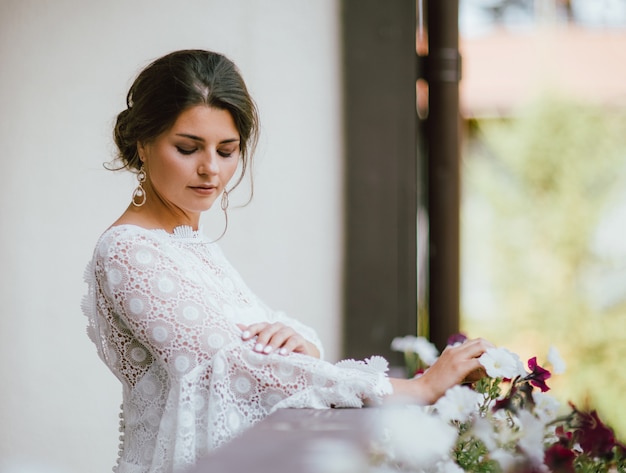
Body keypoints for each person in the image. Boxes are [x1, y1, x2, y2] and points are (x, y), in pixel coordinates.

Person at [82, 49, 490, 473]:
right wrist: (414, 388)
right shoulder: (129, 251)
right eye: (188, 148)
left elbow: (269, 339)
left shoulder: (189, 245)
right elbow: (237, 367)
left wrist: (300, 341)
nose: (211, 170)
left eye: (227, 150)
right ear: (142, 144)